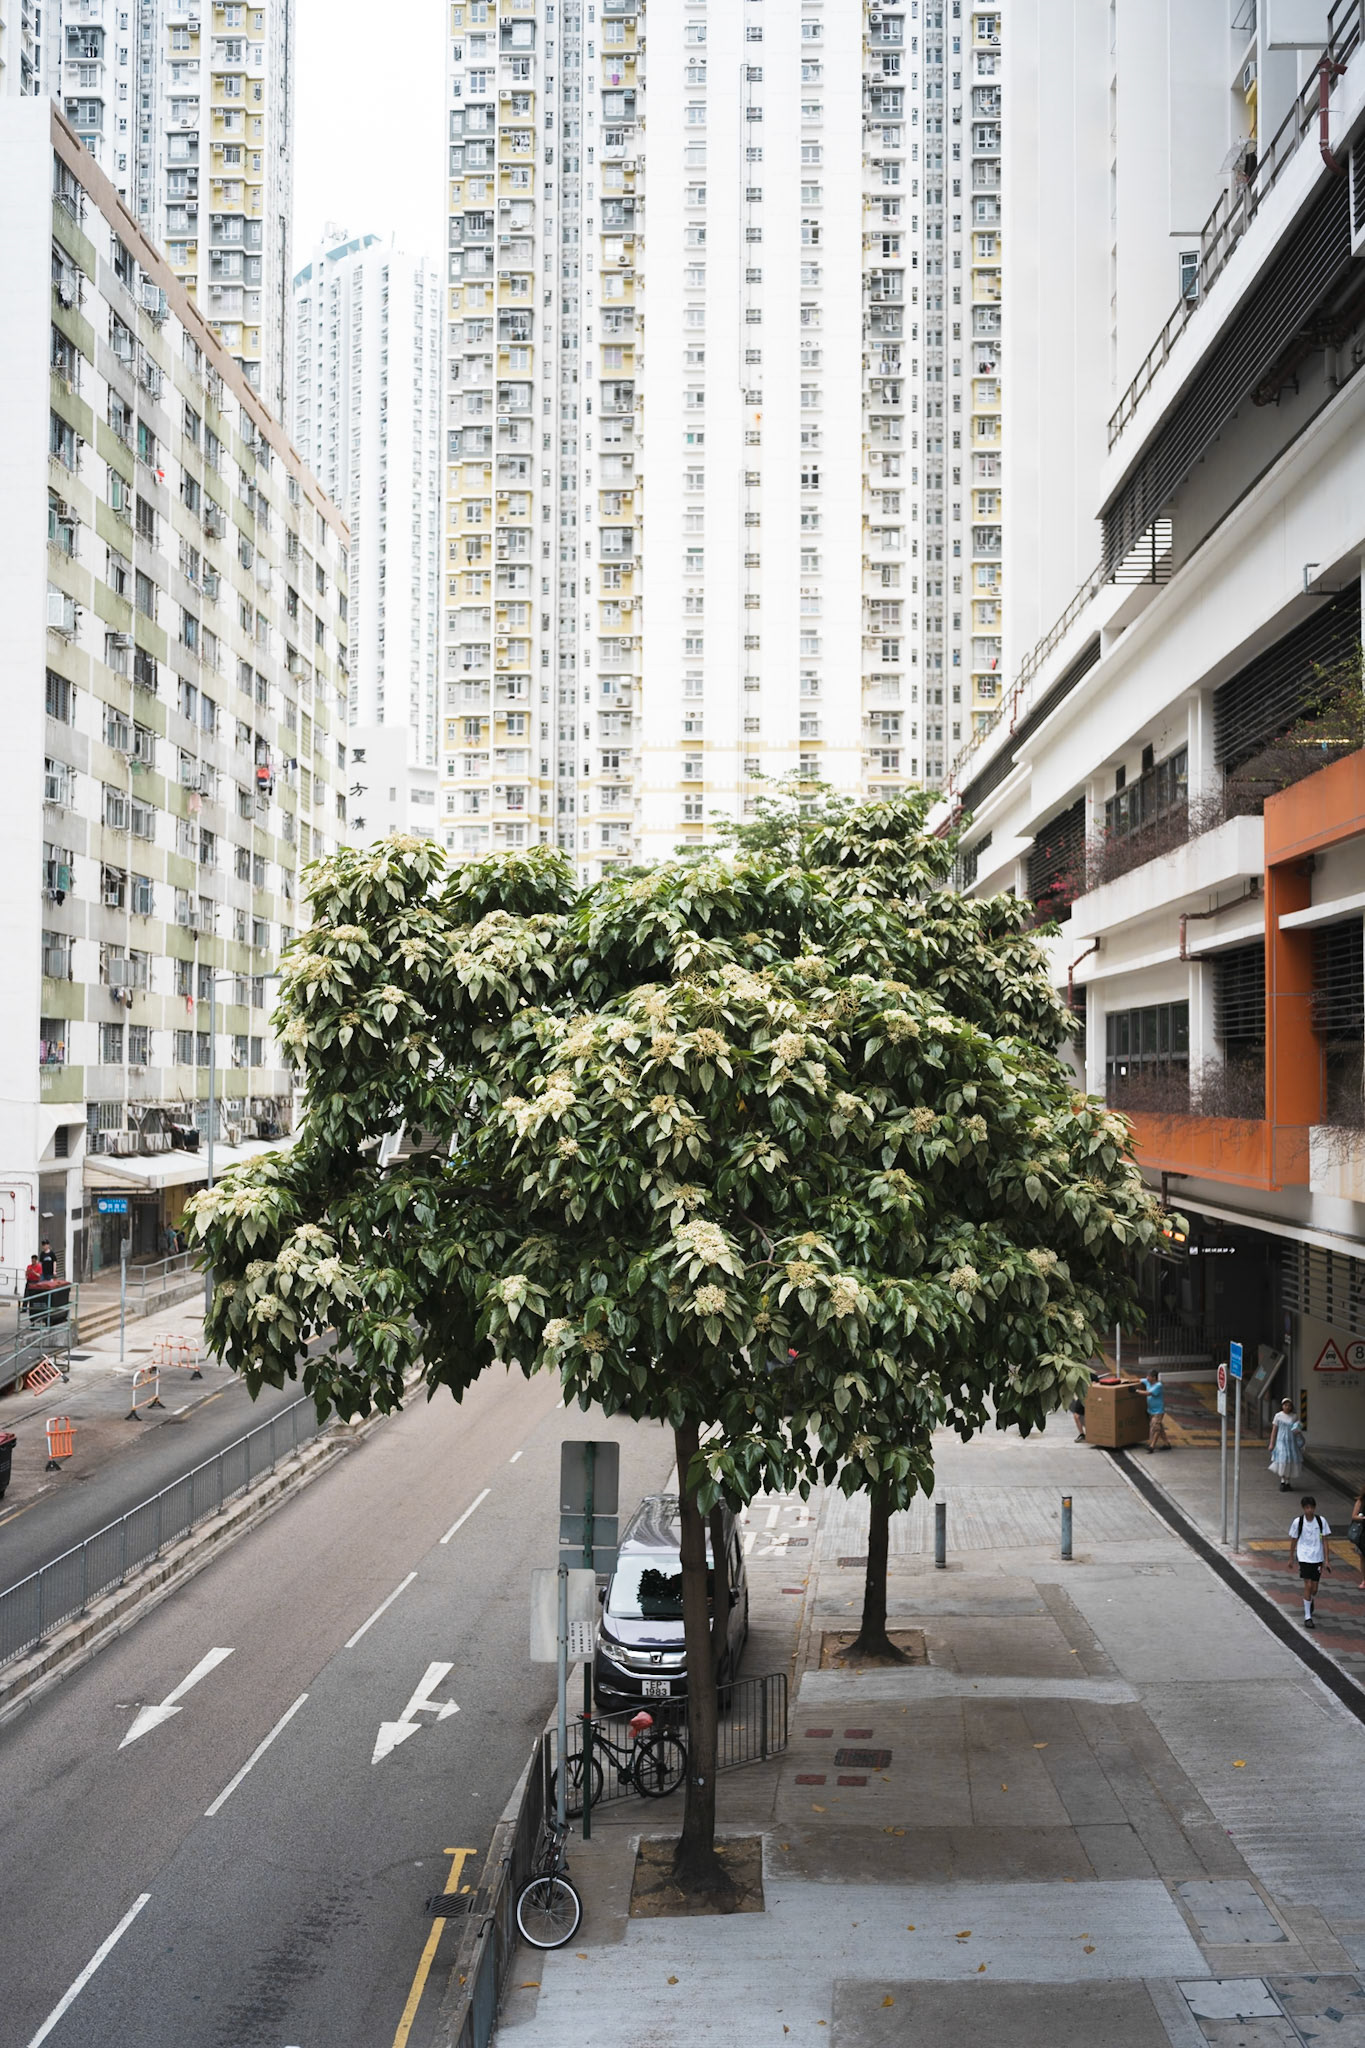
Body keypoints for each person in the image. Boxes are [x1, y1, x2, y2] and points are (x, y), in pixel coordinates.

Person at [1289, 1495, 1331, 1629]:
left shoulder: (1321, 1521)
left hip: (1317, 1557)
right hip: (1304, 1557)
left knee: (1314, 1588)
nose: (1309, 1510)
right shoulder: (1298, 1522)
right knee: (1307, 1584)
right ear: (1303, 1508)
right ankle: (1308, 1617)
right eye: (1307, 1508)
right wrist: (1291, 1557)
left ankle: (1310, 1600)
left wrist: (1327, 1560)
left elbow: (1325, 1540)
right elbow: (1294, 1540)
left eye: (1311, 1507)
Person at [1267, 1399, 1305, 1492]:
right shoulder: (1278, 1416)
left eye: (1289, 1405)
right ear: (1282, 1406)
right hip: (1281, 1442)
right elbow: (1274, 1431)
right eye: (1285, 1405)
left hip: (1291, 1442)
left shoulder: (1294, 1416)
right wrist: (1272, 1443)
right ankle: (1282, 1481)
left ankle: (1287, 1482)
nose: (1287, 1407)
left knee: (1289, 1461)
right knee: (1283, 1460)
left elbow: (1297, 1429)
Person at [1140, 1367, 1170, 1452]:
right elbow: (1138, 1380)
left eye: (1149, 1376)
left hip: (1158, 1412)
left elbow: (1148, 1393)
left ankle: (1152, 1446)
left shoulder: (1158, 1386)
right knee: (1160, 1428)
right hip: (1151, 1411)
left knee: (1155, 1428)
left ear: (1154, 1378)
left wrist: (1136, 1391)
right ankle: (1167, 1444)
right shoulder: (1147, 1381)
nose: (1147, 1378)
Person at [1350, 1487, 1365, 1595]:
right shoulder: (1361, 1501)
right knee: (1363, 1557)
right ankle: (1364, 1579)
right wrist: (1363, 1518)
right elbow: (1354, 1516)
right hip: (1362, 1533)